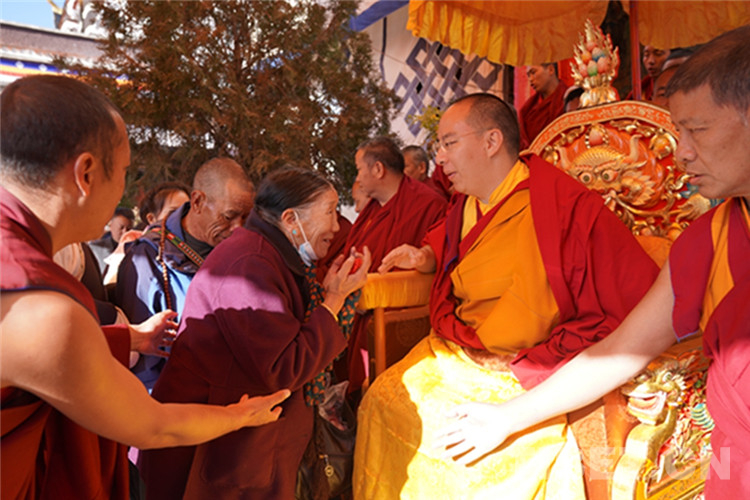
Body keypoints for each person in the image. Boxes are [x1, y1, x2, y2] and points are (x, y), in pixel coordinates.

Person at [433, 25, 750, 497]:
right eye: (679, 131)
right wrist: (506, 418)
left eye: (697, 130)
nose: (681, 152)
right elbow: (622, 348)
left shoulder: (556, 202)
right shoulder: (709, 239)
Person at [352, 92, 660, 499]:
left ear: (492, 141)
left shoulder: (561, 204)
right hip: (457, 349)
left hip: (525, 360)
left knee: (463, 456)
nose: (439, 158)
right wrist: (425, 255)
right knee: (380, 401)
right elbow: (454, 245)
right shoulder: (465, 203)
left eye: (448, 143)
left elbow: (632, 289)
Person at [0, 74, 289, 500]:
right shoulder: (41, 310)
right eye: (124, 171)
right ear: (86, 173)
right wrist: (242, 416)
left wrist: (129, 338)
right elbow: (152, 426)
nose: (125, 188)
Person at [140, 166, 370, 499]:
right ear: (291, 219)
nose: (336, 226)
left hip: (245, 438)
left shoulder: (270, 254)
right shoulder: (249, 265)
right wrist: (334, 299)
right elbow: (284, 366)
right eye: (331, 212)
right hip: (220, 445)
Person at [115, 157, 255, 389]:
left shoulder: (244, 249)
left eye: (246, 217)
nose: (238, 228)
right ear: (198, 201)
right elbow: (143, 363)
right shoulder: (148, 258)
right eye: (228, 216)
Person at [344, 136, 448, 391]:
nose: (357, 178)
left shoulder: (428, 204)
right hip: (361, 313)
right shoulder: (372, 209)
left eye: (359, 170)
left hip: (395, 322)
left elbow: (437, 263)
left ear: (378, 169)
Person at [519, 63, 566, 147]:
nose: (530, 79)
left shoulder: (570, 99)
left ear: (551, 70)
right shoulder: (527, 110)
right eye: (528, 75)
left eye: (533, 72)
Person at [89, 206, 135, 271]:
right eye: (121, 228)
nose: (125, 232)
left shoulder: (136, 249)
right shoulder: (96, 249)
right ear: (111, 226)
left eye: (128, 229)